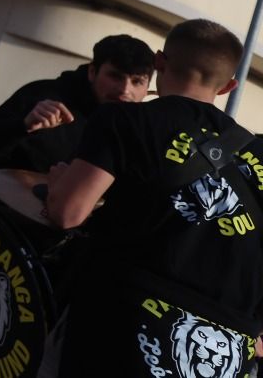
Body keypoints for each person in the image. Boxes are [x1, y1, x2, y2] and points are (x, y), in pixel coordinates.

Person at [47, 20, 262, 378]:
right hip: (220, 350)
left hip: (119, 329)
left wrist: (58, 184)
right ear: (228, 86)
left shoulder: (124, 119)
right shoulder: (259, 151)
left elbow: (69, 212)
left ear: (159, 63)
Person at [0, 34, 155, 172]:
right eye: (115, 76)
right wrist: (22, 126)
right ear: (92, 72)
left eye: (137, 81)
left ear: (146, 88)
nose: (124, 90)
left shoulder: (138, 132)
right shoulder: (44, 96)